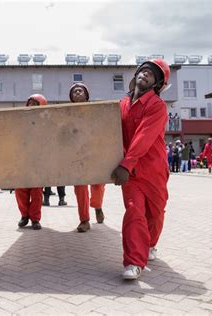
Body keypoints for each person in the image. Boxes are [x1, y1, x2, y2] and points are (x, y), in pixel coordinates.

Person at [110, 58, 170, 280]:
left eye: (151, 75)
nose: (145, 75)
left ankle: (150, 244)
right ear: (136, 75)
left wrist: (126, 163)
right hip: (131, 172)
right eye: (143, 71)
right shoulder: (122, 104)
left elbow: (144, 137)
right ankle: (134, 262)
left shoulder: (157, 106)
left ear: (156, 84)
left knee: (155, 214)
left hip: (153, 169)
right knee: (134, 211)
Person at [69, 83, 106, 232]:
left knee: (98, 185)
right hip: (77, 156)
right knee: (80, 188)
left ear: (86, 95)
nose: (77, 93)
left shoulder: (96, 111)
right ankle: (84, 220)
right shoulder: (67, 113)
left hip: (94, 153)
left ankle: (97, 206)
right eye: (74, 92)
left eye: (80, 91)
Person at [15, 94, 47, 230]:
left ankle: (35, 218)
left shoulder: (46, 123)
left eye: (36, 103)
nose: (32, 106)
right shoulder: (20, 120)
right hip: (22, 161)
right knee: (20, 190)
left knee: (36, 192)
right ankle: (24, 215)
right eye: (30, 103)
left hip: (39, 162)